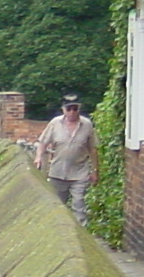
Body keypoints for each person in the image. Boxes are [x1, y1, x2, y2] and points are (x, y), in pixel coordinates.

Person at [34, 94, 98, 223]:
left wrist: (95, 171)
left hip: (80, 172)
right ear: (63, 109)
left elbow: (93, 149)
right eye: (69, 109)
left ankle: (81, 233)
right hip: (58, 172)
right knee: (58, 204)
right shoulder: (55, 124)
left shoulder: (87, 125)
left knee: (79, 204)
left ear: (79, 109)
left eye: (75, 108)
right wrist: (38, 157)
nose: (72, 112)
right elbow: (43, 142)